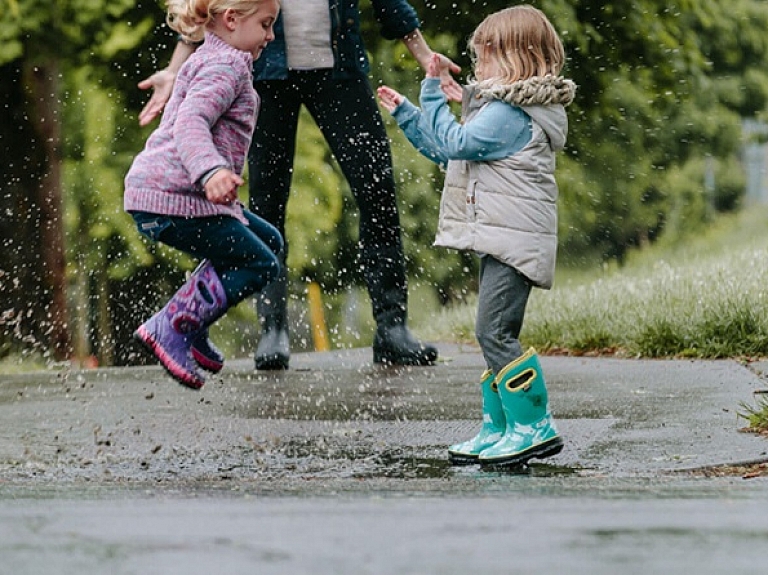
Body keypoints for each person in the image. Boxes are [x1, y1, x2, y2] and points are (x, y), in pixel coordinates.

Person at [137, 0, 463, 370]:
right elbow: (214, 3)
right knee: (267, 200)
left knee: (377, 189)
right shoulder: (231, 61)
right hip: (269, 76)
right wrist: (174, 69)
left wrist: (424, 56)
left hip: (340, 70)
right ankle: (272, 328)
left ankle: (392, 327)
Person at [377, 5, 576, 468]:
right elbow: (449, 154)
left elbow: (456, 143)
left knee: (495, 332)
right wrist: (411, 115)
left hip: (515, 241)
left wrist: (430, 91)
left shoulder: (510, 113)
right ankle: (501, 427)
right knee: (491, 334)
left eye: (483, 58)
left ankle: (533, 426)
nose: (477, 68)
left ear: (514, 59)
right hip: (503, 239)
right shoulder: (505, 111)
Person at [125, 0, 283, 389]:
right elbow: (191, 122)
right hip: (173, 197)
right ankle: (174, 325)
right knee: (260, 263)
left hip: (177, 193)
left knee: (269, 241)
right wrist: (210, 170)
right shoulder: (224, 67)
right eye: (265, 24)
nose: (271, 35)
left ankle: (192, 325)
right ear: (231, 19)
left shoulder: (217, 57)